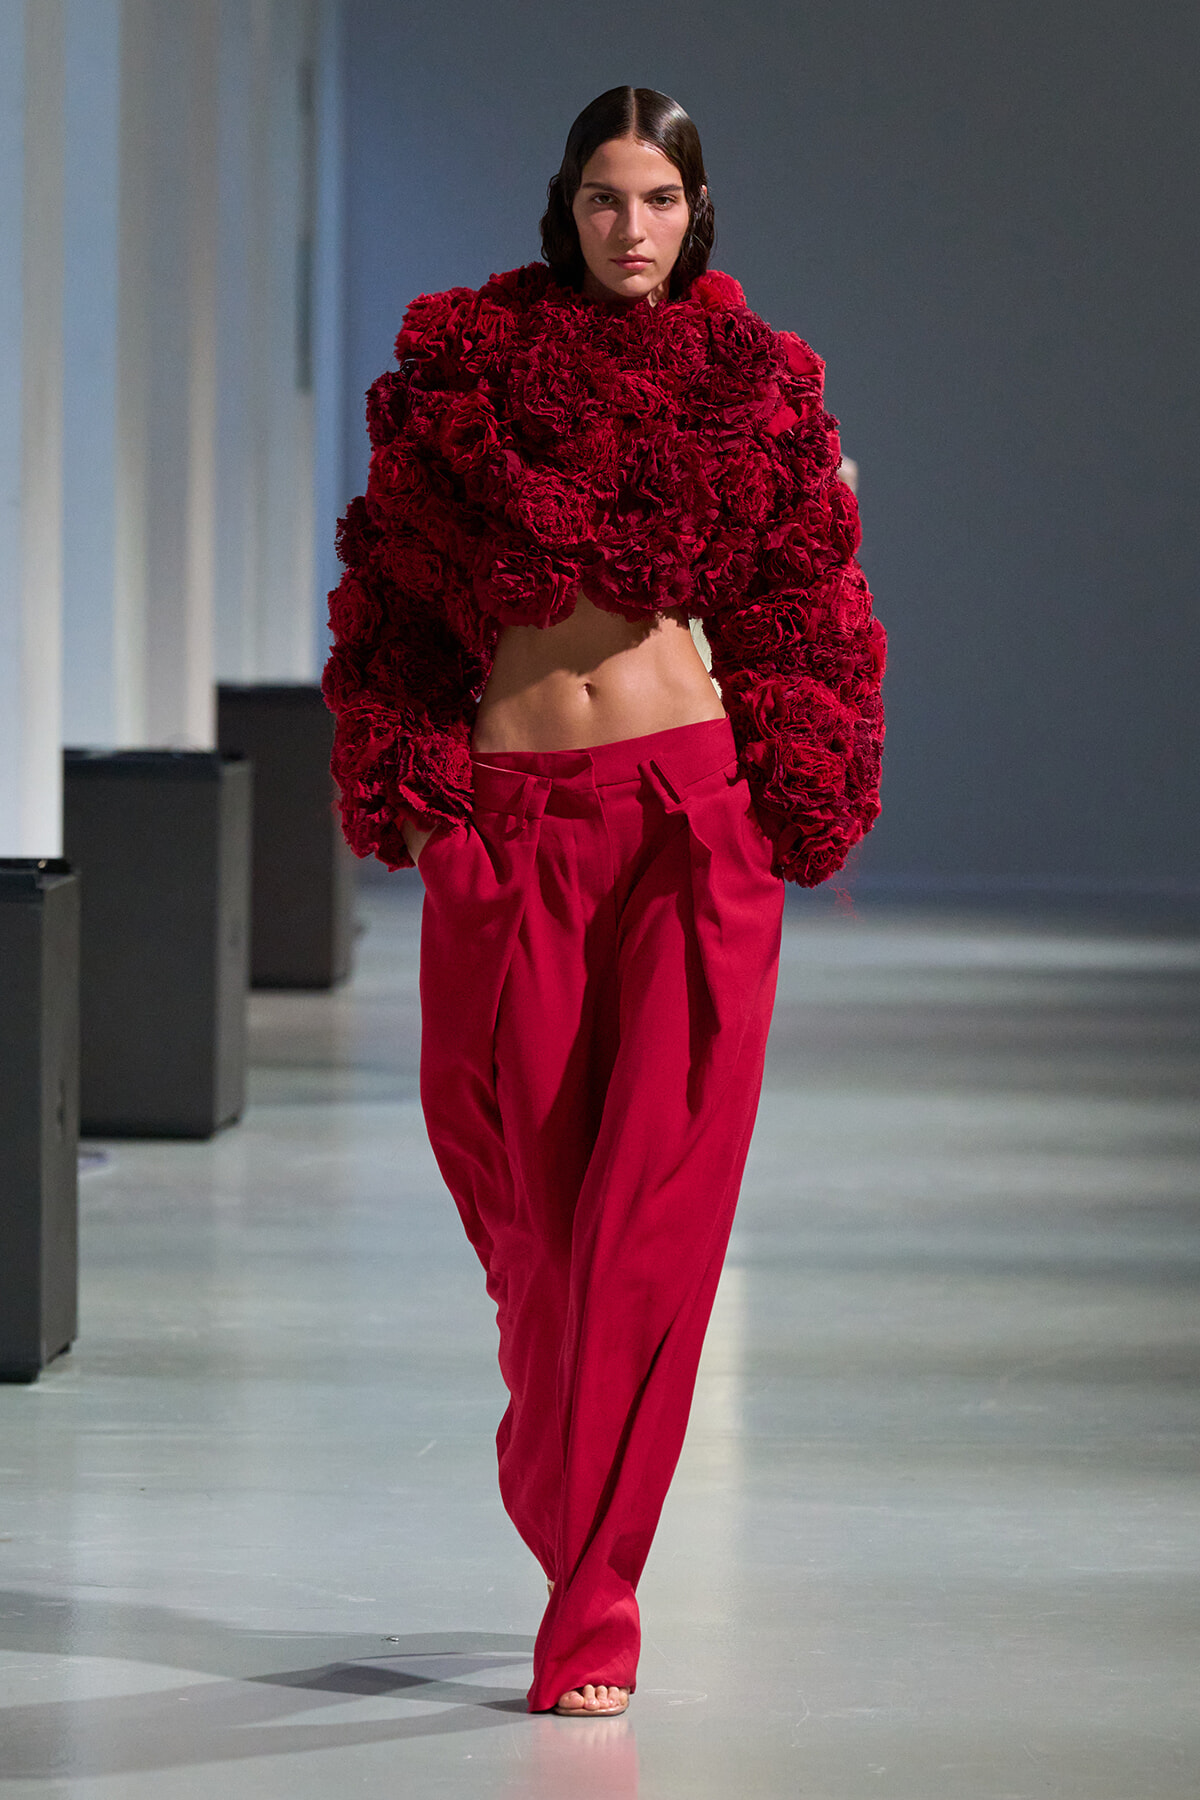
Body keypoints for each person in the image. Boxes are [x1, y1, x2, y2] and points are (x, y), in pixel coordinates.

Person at [322, 85, 886, 1718]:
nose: (627, 229)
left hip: (683, 829)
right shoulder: (463, 374)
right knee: (518, 1204)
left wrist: (793, 802)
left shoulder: (760, 385)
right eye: (599, 199)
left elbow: (806, 609)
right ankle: (563, 1453)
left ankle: (596, 1599)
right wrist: (420, 805)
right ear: (560, 207)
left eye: (655, 200)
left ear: (695, 211)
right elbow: (394, 607)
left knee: (651, 1216)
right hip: (509, 826)